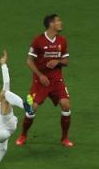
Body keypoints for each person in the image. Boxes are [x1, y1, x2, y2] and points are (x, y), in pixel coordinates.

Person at [16, 14, 74, 148]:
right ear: (51, 24)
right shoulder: (38, 41)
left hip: (56, 80)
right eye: (58, 21)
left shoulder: (62, 41)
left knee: (66, 105)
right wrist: (40, 75)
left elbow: (66, 61)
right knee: (32, 109)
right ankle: (23, 135)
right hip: (40, 81)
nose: (61, 23)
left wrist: (58, 61)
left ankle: (64, 138)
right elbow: (29, 61)